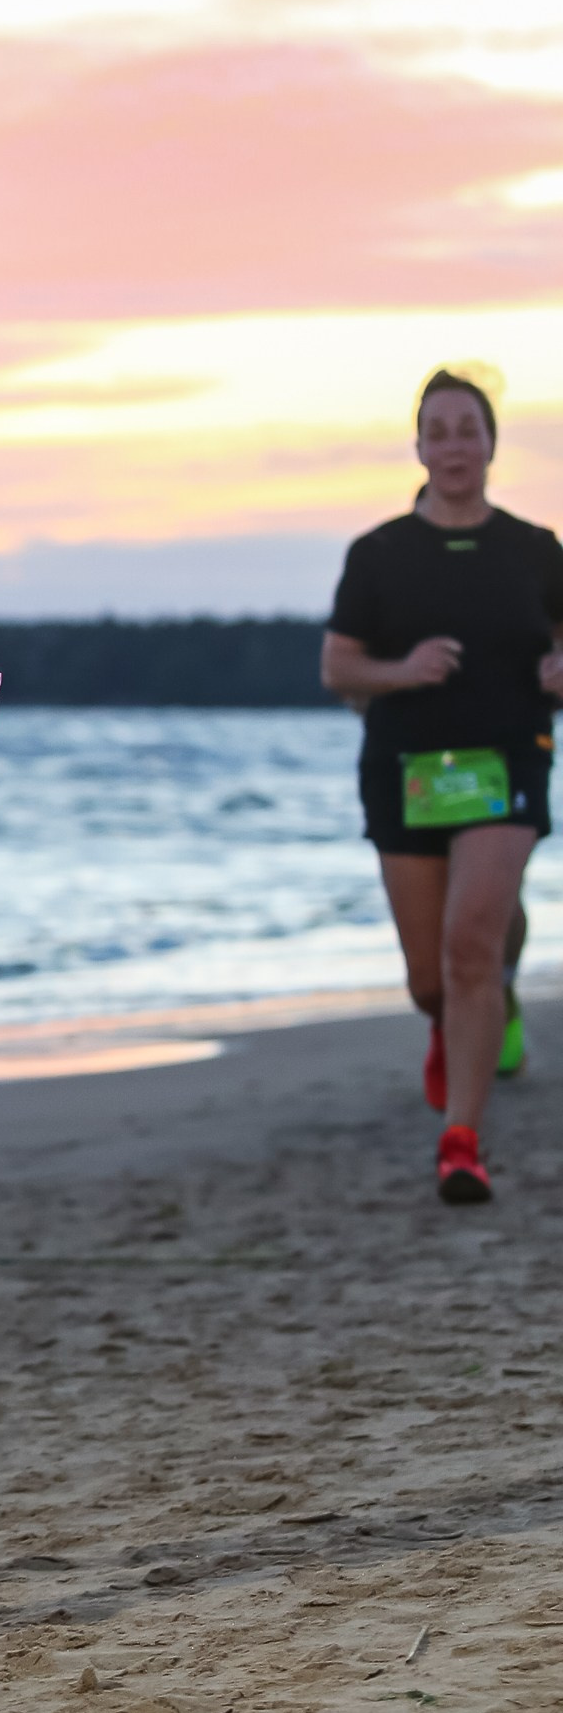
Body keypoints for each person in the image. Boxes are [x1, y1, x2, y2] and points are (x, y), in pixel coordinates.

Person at [322, 370, 563, 1205]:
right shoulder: (380, 554)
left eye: (470, 429)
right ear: (419, 446)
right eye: (440, 430)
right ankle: (468, 1012)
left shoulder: (536, 549)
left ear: (491, 443)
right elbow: (338, 666)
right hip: (406, 770)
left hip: (509, 761)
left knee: (469, 946)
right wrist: (406, 669)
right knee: (433, 976)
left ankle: (461, 1139)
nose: (456, 445)